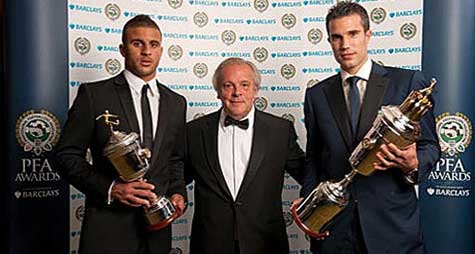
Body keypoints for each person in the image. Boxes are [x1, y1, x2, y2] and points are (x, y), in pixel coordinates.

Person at [293, 2, 440, 254]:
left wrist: (412, 163)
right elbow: (315, 160)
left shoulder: (408, 82)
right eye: (336, 37)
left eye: (353, 34)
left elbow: (430, 147)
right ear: (329, 41)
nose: (345, 45)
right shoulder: (316, 95)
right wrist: (311, 202)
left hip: (392, 229)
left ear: (368, 35)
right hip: (335, 231)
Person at [53, 15, 186, 254]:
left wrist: (177, 191)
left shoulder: (176, 103)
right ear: (123, 50)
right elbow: (65, 155)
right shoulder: (94, 95)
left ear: (161, 50)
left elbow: (174, 159)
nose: (146, 51)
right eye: (138, 43)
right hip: (107, 230)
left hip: (157, 233)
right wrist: (111, 188)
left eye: (153, 44)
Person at [185, 57, 305, 254]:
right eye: (228, 85)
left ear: (255, 90)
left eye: (244, 85)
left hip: (266, 242)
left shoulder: (280, 130)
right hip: (210, 243)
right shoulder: (194, 131)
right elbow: (176, 176)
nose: (236, 93)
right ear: (217, 91)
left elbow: (306, 172)